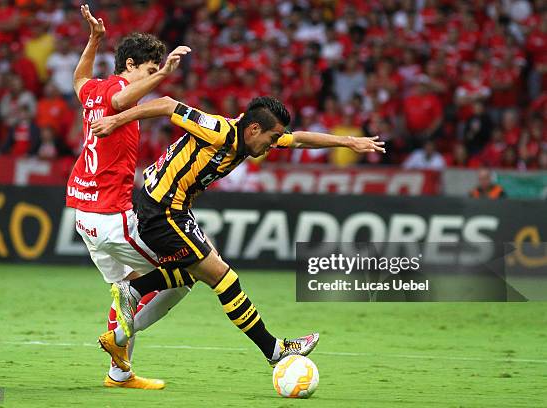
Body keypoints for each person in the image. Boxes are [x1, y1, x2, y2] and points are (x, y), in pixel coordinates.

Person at [90, 95, 385, 372]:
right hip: (161, 210)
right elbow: (168, 105)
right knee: (224, 277)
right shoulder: (218, 130)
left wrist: (348, 141)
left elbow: (300, 140)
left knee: (195, 273)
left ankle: (128, 312)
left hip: (176, 210)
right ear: (254, 128)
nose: (272, 146)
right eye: (270, 139)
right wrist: (116, 121)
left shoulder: (252, 138)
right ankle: (274, 350)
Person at [67, 5, 193, 389]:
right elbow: (123, 103)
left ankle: (119, 374)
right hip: (111, 217)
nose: (154, 78)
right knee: (183, 274)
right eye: (150, 70)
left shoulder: (96, 90)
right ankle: (118, 340)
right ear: (132, 64)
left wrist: (93, 40)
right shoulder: (120, 90)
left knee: (126, 287)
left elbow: (79, 78)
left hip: (84, 215)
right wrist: (165, 75)